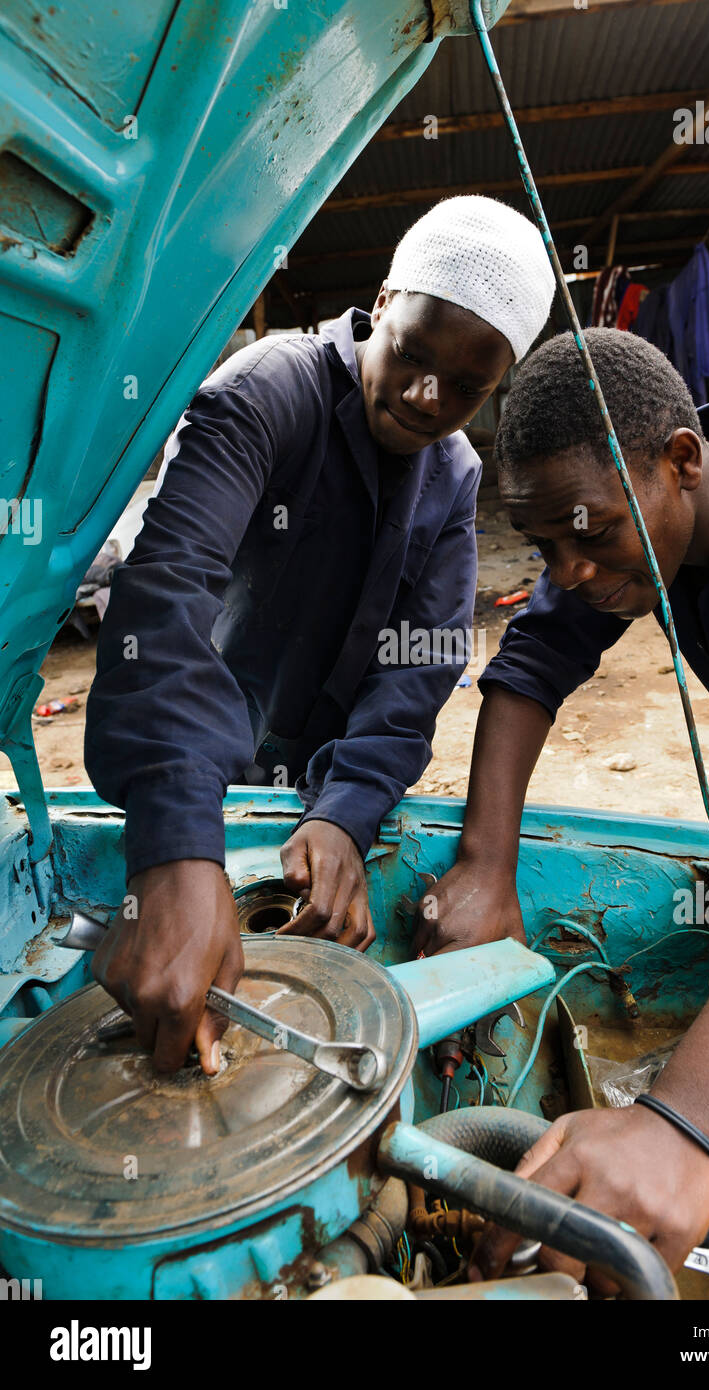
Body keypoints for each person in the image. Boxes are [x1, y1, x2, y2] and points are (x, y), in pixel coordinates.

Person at [416, 327, 709, 1287]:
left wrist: (683, 1125)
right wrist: (487, 868)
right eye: (543, 544)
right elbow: (529, 665)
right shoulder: (624, 520)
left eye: (586, 536)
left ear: (682, 462)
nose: (567, 570)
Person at [83, 195, 554, 1075]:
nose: (426, 396)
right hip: (194, 766)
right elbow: (164, 592)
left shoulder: (453, 479)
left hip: (316, 787)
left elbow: (420, 669)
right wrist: (178, 845)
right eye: (414, 355)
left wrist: (345, 811)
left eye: (466, 387)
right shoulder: (269, 389)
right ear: (381, 303)